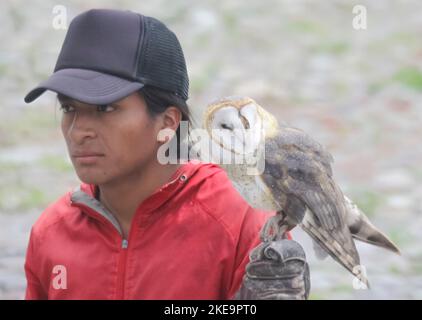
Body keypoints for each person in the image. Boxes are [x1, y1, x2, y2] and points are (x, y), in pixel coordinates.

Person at [23, 8, 309, 300]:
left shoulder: (239, 219)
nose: (78, 132)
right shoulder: (51, 234)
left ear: (168, 122)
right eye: (69, 108)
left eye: (105, 108)